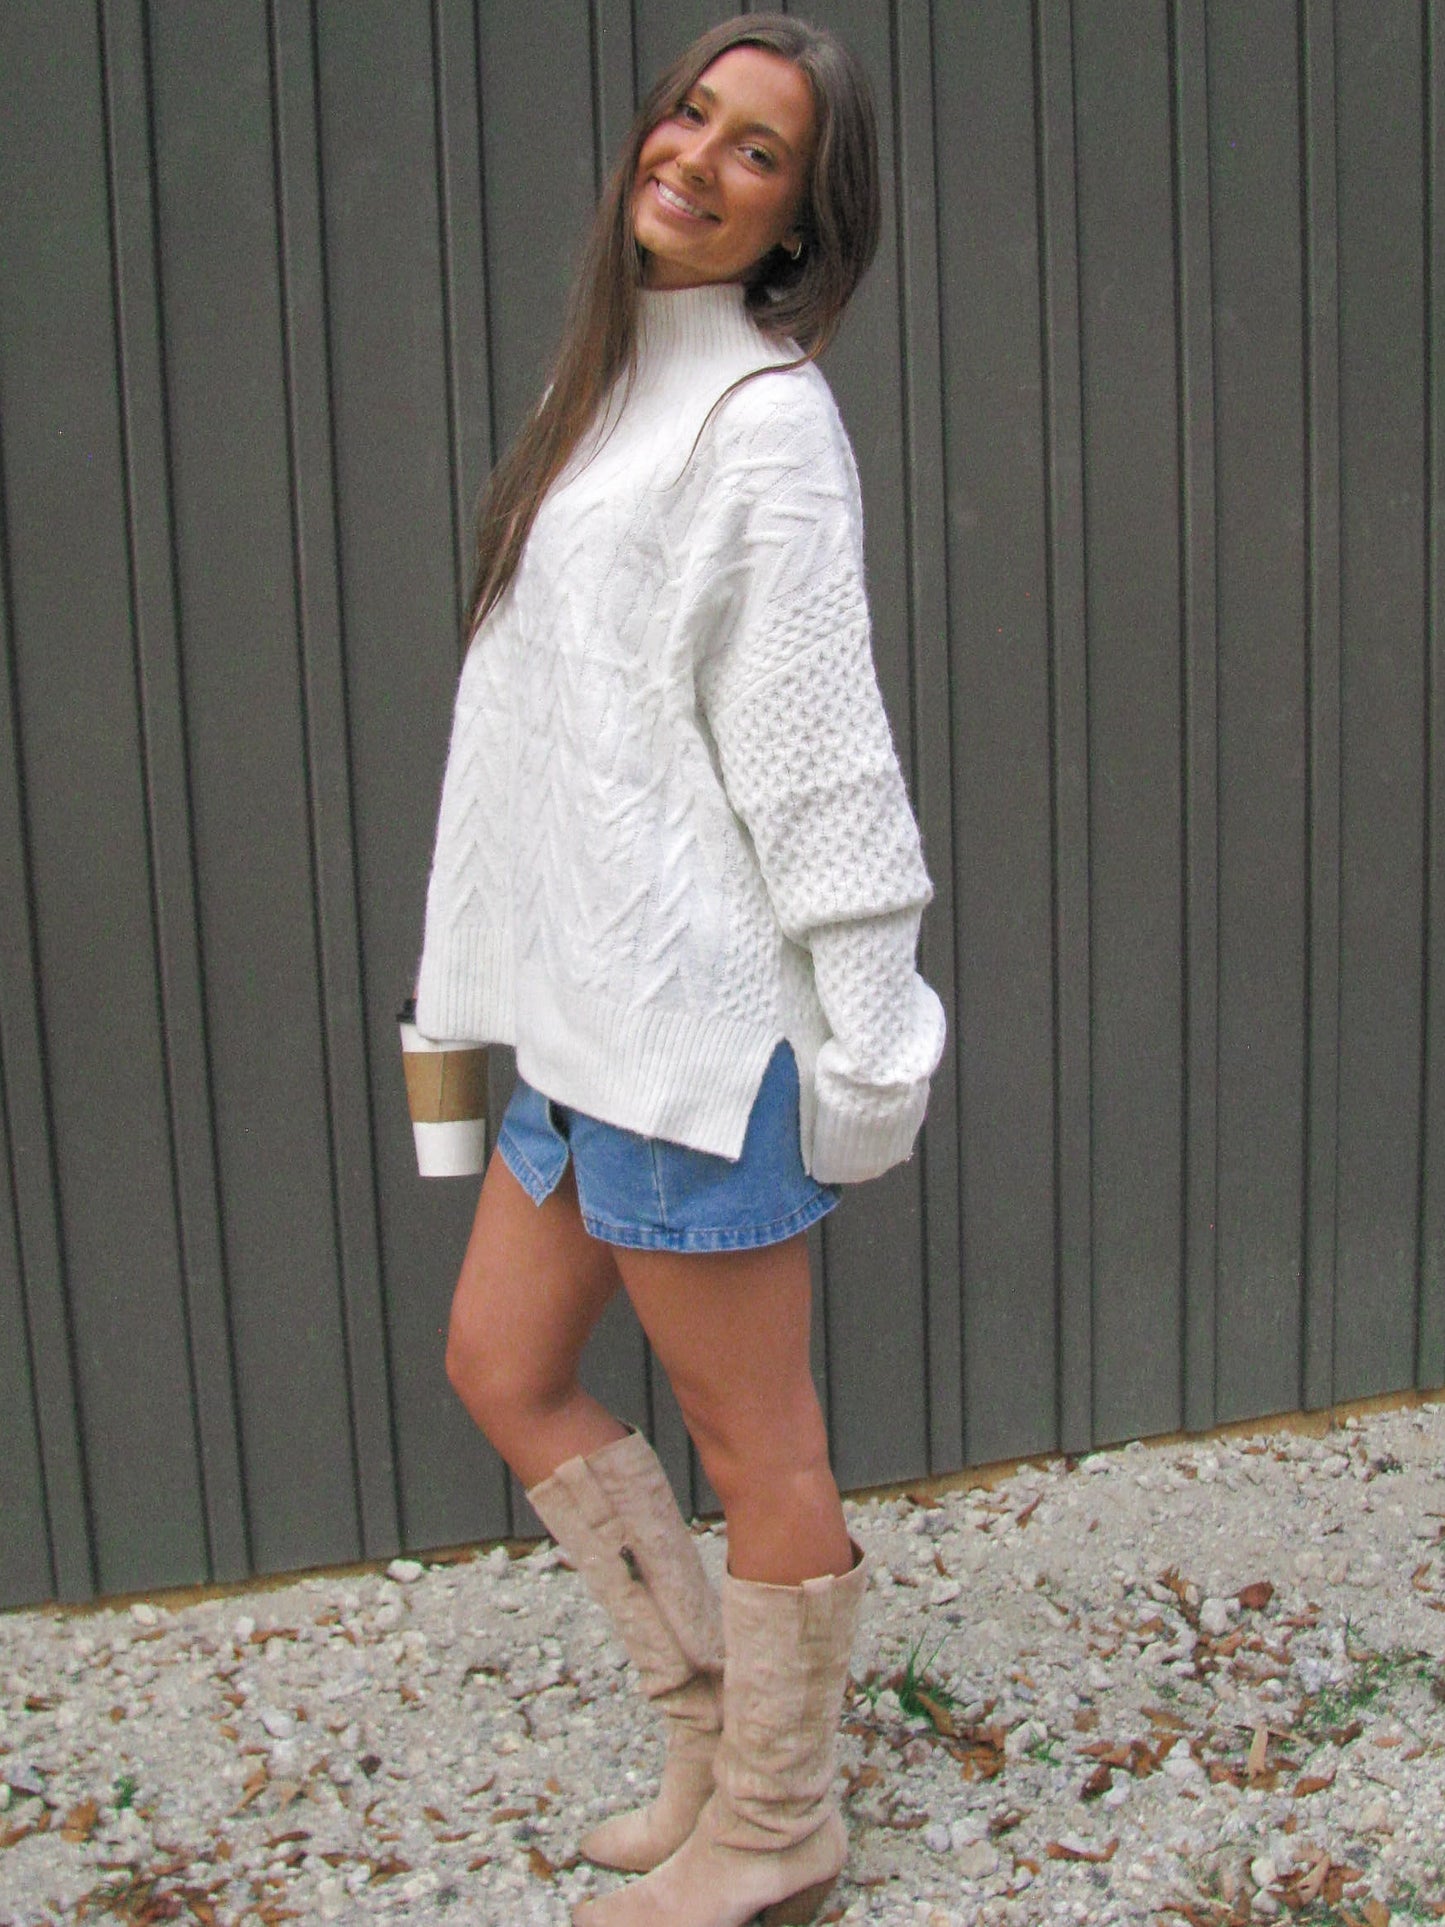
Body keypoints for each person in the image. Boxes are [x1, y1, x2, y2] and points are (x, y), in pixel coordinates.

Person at [413, 15, 946, 1924]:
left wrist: (872, 1040)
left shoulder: (760, 421)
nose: (700, 159)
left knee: (758, 1447)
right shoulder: (609, 385)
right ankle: (717, 1742)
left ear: (803, 218)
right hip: (573, 1024)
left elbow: (817, 759)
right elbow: (529, 742)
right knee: (502, 1365)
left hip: (702, 1036)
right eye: (690, 114)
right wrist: (460, 1014)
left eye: (760, 152)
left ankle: (781, 1826)